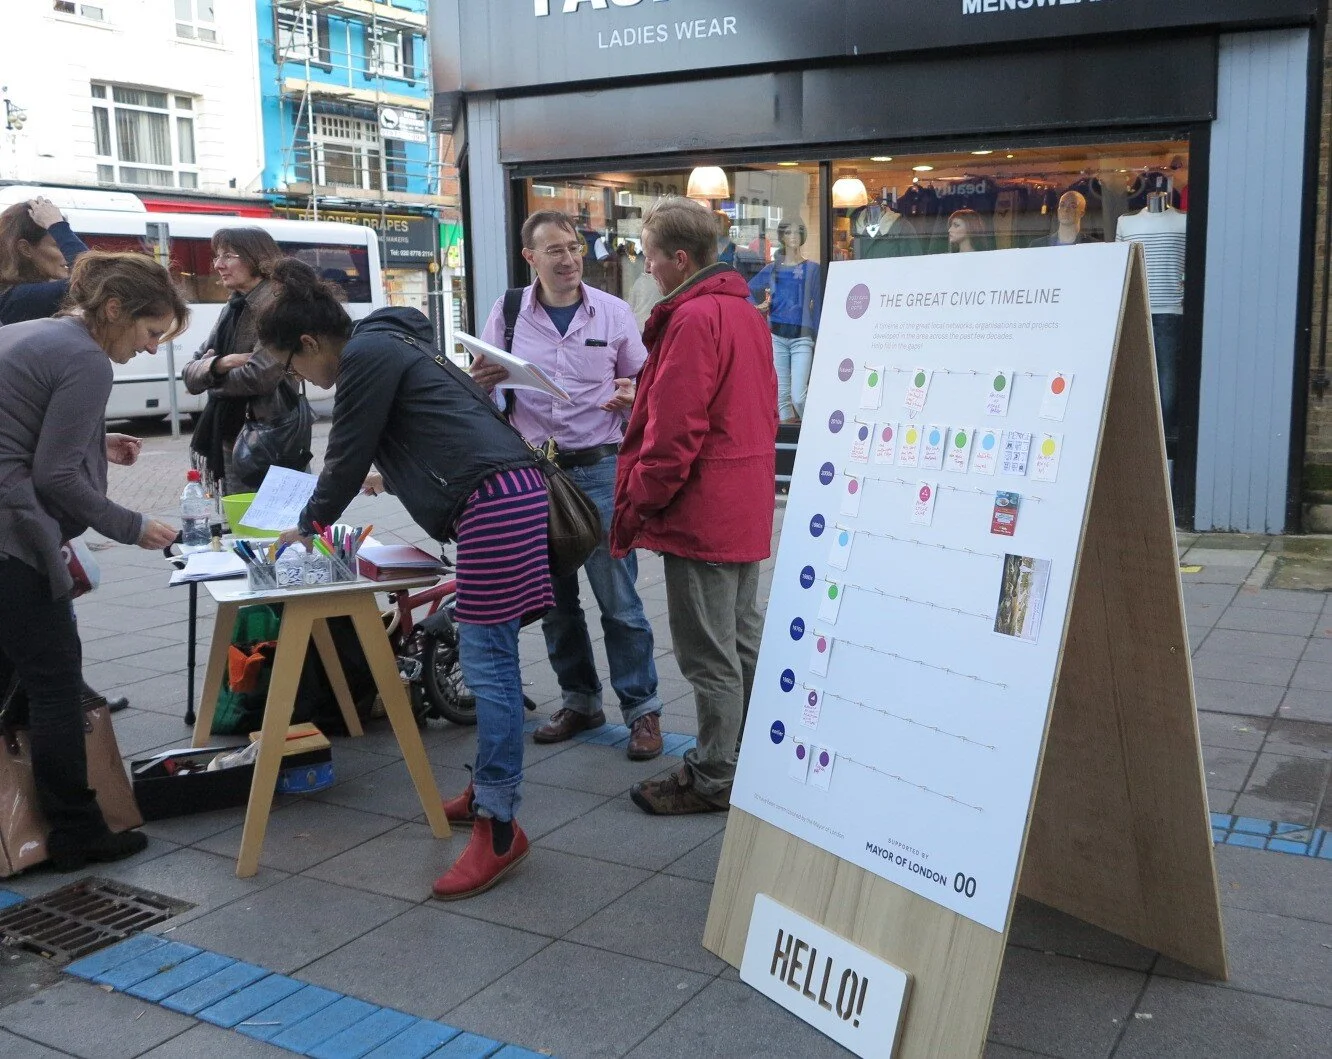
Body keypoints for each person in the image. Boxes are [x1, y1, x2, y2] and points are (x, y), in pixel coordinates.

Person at [260, 259, 552, 900]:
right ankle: (485, 789)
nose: (298, 380)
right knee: (490, 655)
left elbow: (344, 455)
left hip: (492, 504)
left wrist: (304, 527)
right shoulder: (392, 340)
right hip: (503, 495)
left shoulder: (365, 356)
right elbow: (431, 432)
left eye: (291, 367)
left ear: (309, 344)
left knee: (490, 665)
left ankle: (500, 826)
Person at [0, 252, 184, 870]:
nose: (153, 347)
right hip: (11, 534)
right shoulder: (85, 358)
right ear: (113, 311)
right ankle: (76, 832)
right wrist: (134, 526)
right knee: (54, 686)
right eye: (151, 331)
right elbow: (54, 476)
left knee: (12, 671)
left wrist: (96, 442)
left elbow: (19, 425)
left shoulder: (36, 333)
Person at [472, 210, 663, 760]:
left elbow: (646, 383)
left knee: (620, 600)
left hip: (601, 468)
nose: (569, 259)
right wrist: (481, 384)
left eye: (575, 247)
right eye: (554, 250)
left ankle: (643, 710)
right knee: (555, 602)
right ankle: (580, 700)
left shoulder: (614, 312)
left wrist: (633, 396)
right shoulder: (507, 313)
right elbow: (486, 392)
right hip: (537, 472)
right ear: (530, 258)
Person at [611, 197, 777, 815]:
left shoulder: (691, 319)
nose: (647, 268)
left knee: (710, 655)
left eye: (651, 258)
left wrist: (636, 506)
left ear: (679, 259)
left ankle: (714, 774)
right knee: (740, 639)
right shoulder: (742, 313)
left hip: (703, 511)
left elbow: (676, 437)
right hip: (741, 501)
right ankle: (761, 751)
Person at [0, 196, 131, 715]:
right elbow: (104, 284)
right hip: (18, 510)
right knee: (42, 623)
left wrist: (94, 442)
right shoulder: (28, 298)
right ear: (26, 248)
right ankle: (62, 708)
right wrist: (64, 226)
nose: (63, 252)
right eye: (53, 242)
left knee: (26, 634)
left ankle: (56, 698)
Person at [183, 227, 297, 497]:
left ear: (257, 257)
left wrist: (210, 377)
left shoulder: (278, 306)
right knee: (240, 521)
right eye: (217, 257)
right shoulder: (232, 307)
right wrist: (220, 364)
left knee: (271, 520)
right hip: (231, 433)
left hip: (270, 437)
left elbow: (259, 377)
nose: (218, 264)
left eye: (228, 256)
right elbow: (190, 373)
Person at [748, 218, 822, 424]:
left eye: (798, 232)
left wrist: (820, 336)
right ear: (782, 237)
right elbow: (746, 290)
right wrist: (759, 308)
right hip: (777, 336)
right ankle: (791, 443)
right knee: (782, 398)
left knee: (799, 397)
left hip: (802, 337)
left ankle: (815, 432)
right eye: (788, 233)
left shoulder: (813, 269)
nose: (793, 237)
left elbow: (819, 306)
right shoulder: (773, 269)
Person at [0, 196, 89, 324]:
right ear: (25, 249)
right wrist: (58, 226)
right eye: (58, 244)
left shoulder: (13, 293)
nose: (66, 252)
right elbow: (98, 278)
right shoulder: (22, 297)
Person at [1029, 191, 1096, 248]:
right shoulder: (1038, 245)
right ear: (1058, 209)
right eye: (1062, 205)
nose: (1066, 210)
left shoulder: (1093, 246)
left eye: (1072, 206)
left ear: (1081, 213)